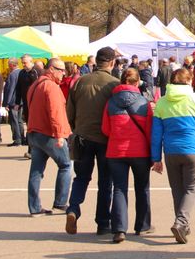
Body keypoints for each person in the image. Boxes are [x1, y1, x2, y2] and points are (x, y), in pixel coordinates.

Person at [151, 68, 195, 243]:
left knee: (177, 189)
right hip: (192, 150)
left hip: (171, 152)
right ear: (189, 81)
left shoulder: (162, 102)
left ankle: (183, 226)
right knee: (193, 187)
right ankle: (181, 222)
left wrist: (156, 158)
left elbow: (156, 134)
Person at [65, 46, 118, 236]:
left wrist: (76, 128)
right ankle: (103, 223)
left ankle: (73, 208)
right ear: (111, 62)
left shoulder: (80, 82)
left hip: (82, 137)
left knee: (81, 178)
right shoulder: (113, 84)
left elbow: (69, 111)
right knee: (106, 181)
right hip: (105, 139)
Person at [103, 68, 153, 243]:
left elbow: (105, 129)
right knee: (142, 188)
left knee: (119, 188)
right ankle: (143, 225)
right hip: (140, 151)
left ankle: (119, 229)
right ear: (137, 81)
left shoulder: (110, 103)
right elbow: (149, 131)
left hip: (116, 151)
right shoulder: (144, 103)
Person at [25, 58, 72, 217]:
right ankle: (60, 202)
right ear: (51, 69)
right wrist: (60, 134)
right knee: (66, 165)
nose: (63, 73)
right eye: (60, 70)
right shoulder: (51, 87)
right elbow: (55, 113)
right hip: (49, 133)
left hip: (35, 132)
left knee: (36, 171)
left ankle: (35, 207)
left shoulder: (35, 85)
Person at [16, 54, 40, 157]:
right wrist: (17, 102)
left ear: (31, 62)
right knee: (29, 126)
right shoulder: (21, 73)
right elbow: (18, 88)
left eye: (25, 63)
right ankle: (31, 150)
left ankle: (35, 150)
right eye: (22, 63)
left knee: (36, 127)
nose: (24, 65)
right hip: (26, 104)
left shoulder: (36, 72)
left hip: (36, 104)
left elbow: (39, 89)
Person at [2, 58, 23, 147]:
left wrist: (7, 103)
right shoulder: (22, 72)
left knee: (14, 121)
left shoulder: (12, 75)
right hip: (21, 100)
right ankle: (22, 138)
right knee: (19, 120)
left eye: (8, 64)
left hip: (13, 101)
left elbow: (10, 89)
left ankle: (17, 139)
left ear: (11, 65)